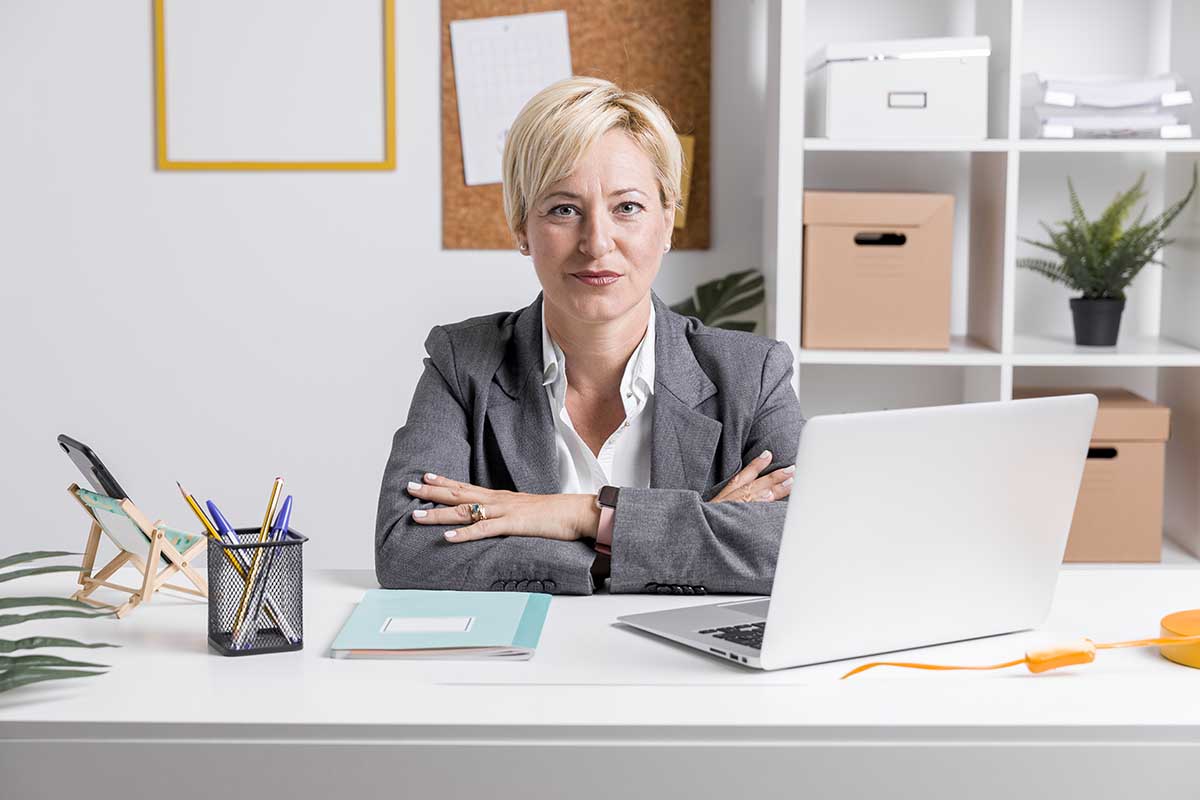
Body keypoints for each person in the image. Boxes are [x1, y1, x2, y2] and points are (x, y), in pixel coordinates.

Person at [375, 76, 805, 595]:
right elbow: (407, 549)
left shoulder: (750, 373)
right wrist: (670, 535)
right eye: (563, 209)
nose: (597, 243)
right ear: (520, 227)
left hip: (687, 673)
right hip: (519, 667)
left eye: (628, 207)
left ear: (667, 221)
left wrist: (579, 514)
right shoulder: (462, 362)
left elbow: (806, 546)